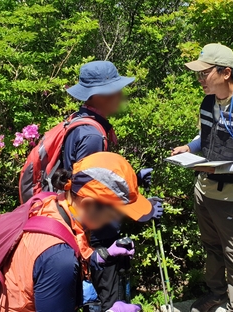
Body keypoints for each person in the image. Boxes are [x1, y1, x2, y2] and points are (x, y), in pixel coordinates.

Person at [172, 43, 233, 312]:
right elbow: (205, 135)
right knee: (211, 247)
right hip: (203, 190)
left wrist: (218, 170)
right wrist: (189, 148)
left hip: (231, 195)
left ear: (226, 73)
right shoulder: (209, 101)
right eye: (198, 74)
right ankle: (216, 294)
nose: (200, 79)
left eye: (205, 73)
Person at [65, 61, 163, 310]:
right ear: (100, 96)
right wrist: (143, 208)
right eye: (116, 90)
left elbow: (93, 180)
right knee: (108, 300)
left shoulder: (81, 120)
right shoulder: (92, 136)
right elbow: (91, 194)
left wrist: (135, 181)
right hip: (97, 235)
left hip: (87, 228)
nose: (121, 95)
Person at [0, 152, 149, 312]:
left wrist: (101, 257)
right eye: (116, 214)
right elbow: (55, 261)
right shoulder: (59, 259)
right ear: (88, 204)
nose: (118, 220)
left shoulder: (52, 204)